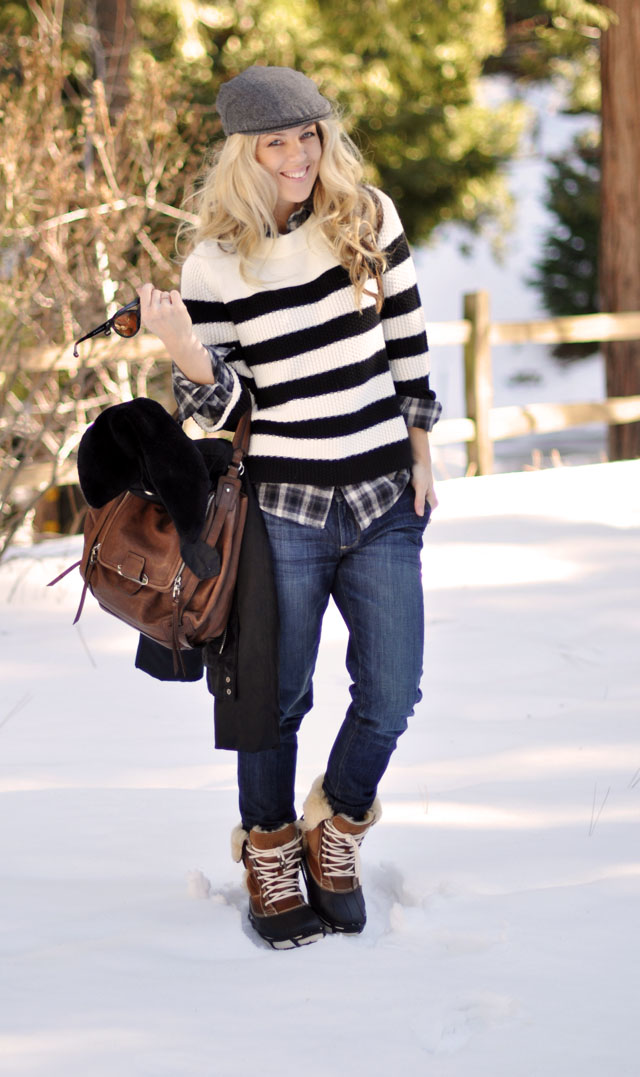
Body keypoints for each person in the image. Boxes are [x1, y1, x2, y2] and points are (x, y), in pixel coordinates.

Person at [138, 65, 442, 950]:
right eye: (276, 141)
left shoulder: (366, 215)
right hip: (286, 509)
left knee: (393, 690)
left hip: (385, 494)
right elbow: (224, 409)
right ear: (244, 152)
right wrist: (185, 349)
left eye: (308, 135)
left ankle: (336, 828)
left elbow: (410, 345)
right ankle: (270, 848)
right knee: (275, 696)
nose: (298, 155)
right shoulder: (214, 261)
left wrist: (422, 455)